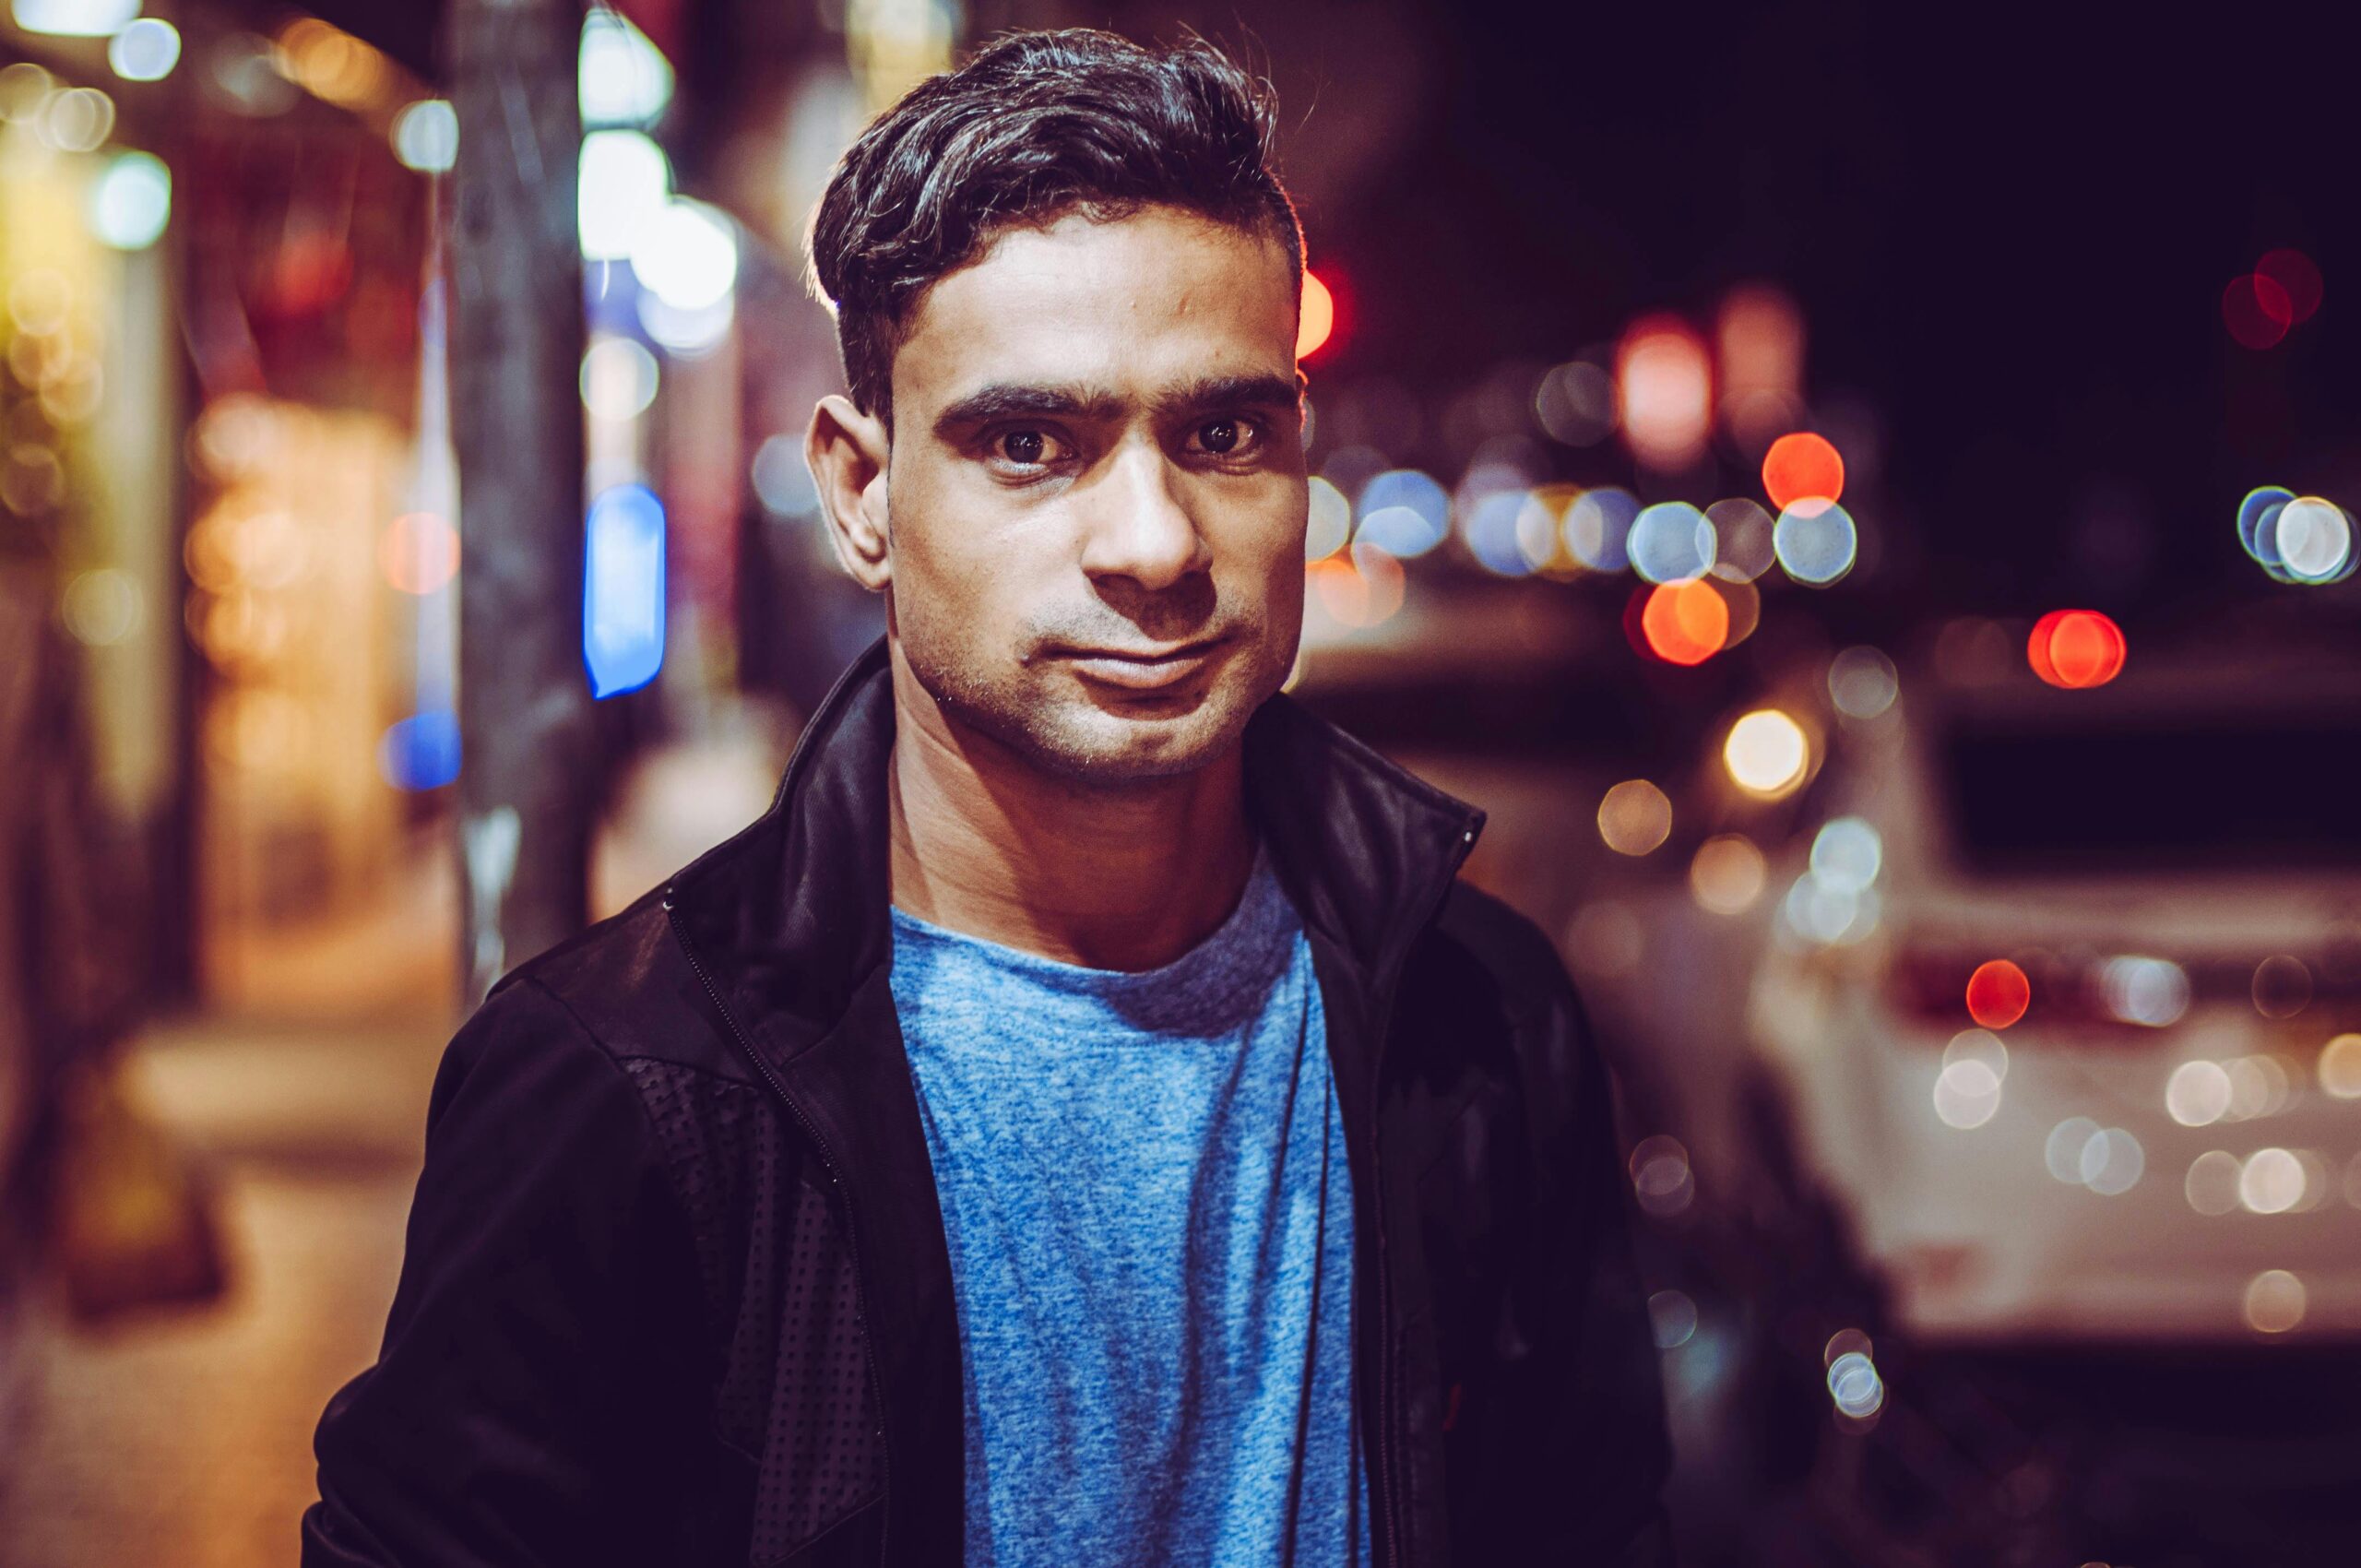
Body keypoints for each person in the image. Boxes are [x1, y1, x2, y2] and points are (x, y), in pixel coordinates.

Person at [303, 29, 1670, 1568]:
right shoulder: (625, 1091)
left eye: (1223, 434)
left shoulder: (1478, 1028)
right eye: (1030, 444)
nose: (1154, 543)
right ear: (861, 493)